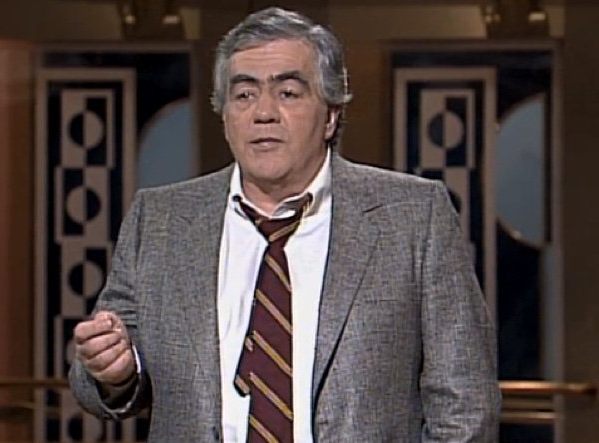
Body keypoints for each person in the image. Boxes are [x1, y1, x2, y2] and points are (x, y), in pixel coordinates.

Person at [69, 6, 501, 442]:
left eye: (288, 93)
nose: (263, 113)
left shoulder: (413, 217)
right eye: (244, 95)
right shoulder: (160, 221)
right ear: (224, 115)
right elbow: (94, 382)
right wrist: (115, 371)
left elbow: (465, 406)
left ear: (330, 115)